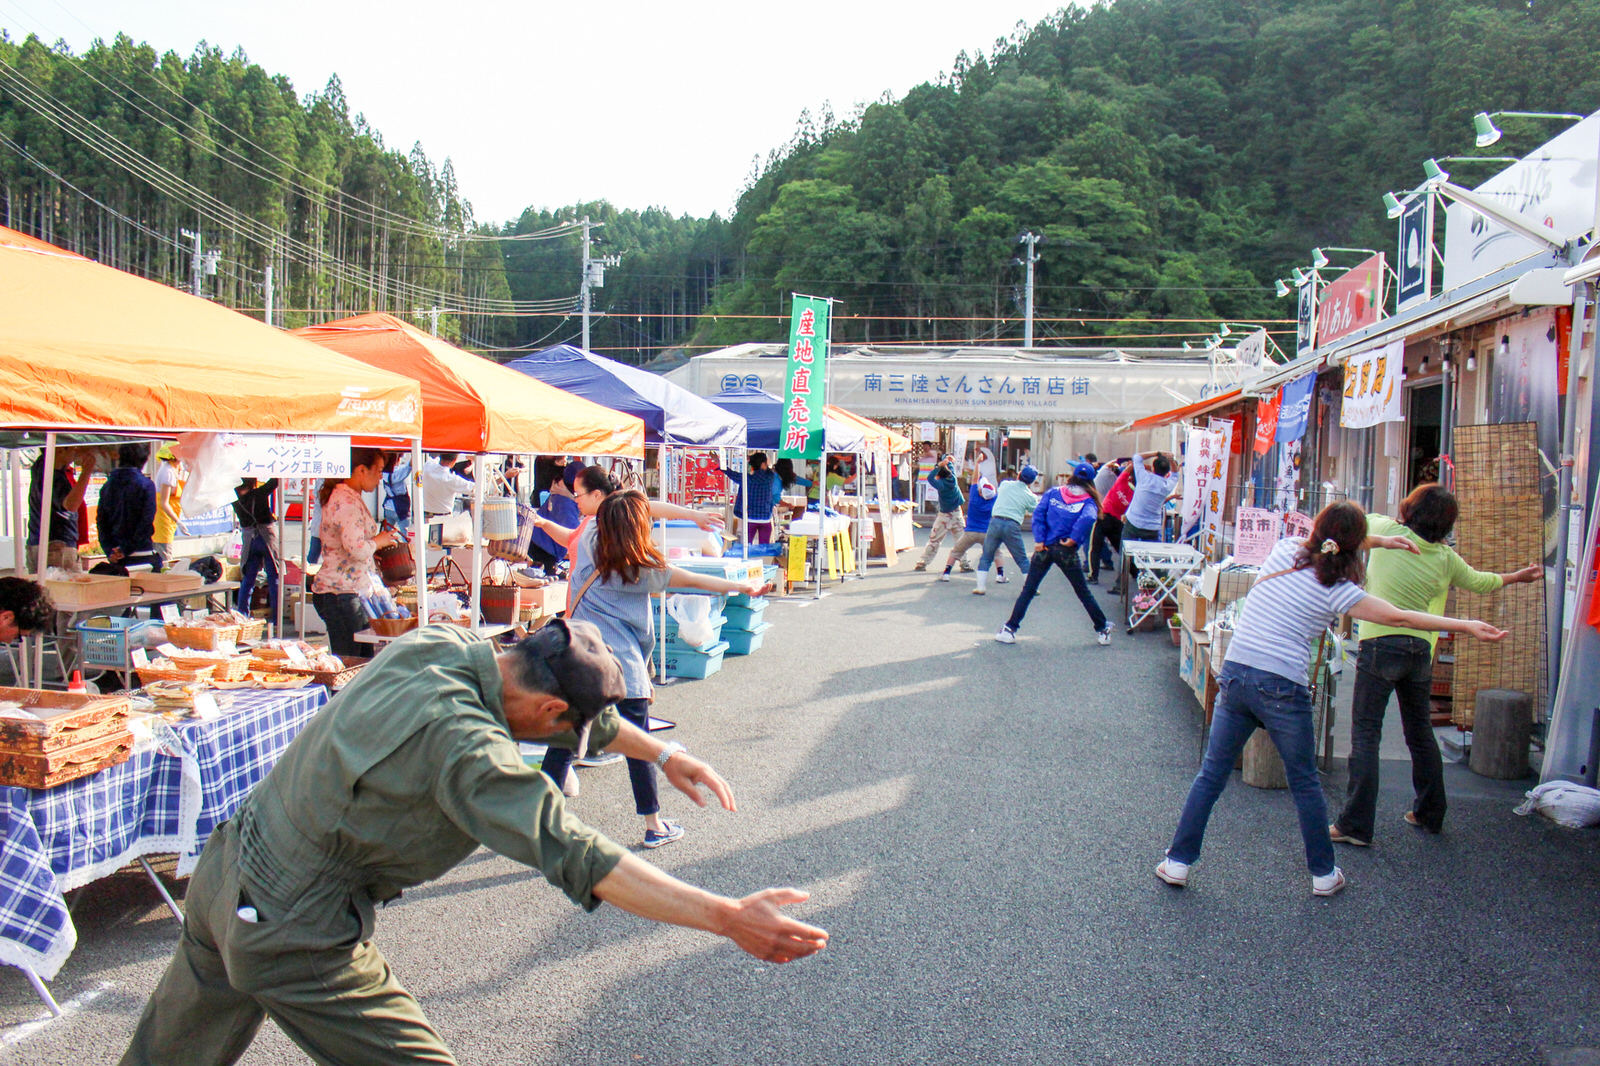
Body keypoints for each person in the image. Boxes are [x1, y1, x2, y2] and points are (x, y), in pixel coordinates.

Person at [118, 619, 827, 1066]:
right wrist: (727, 916)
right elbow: (582, 854)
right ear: (549, 711)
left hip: (226, 870)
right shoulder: (471, 754)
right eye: (564, 729)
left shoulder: (439, 646)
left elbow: (571, 717)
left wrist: (664, 755)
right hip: (291, 925)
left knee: (168, 1054)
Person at [1155, 501, 1507, 897]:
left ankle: (1178, 862)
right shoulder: (1341, 592)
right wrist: (1465, 625)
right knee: (1304, 782)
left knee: (1211, 775)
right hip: (1282, 689)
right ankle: (1323, 875)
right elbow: (1404, 617)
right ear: (1356, 547)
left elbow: (1325, 543)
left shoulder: (1285, 549)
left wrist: (1381, 540)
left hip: (1236, 675)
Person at [532, 473, 765, 844]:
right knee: (640, 748)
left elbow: (633, 506)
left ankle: (540, 821)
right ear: (637, 527)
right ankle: (654, 825)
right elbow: (692, 580)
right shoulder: (638, 568)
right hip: (624, 668)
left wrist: (687, 515)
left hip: (580, 662)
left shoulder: (590, 538)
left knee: (563, 743)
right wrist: (739, 585)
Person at [1330, 485, 1541, 846]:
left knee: (1366, 734)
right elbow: (1481, 582)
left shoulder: (1387, 529)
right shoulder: (1445, 557)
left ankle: (1355, 826)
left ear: (1410, 508)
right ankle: (1429, 813)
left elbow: (1346, 529)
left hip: (1378, 646)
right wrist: (1516, 577)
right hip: (1419, 651)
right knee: (1421, 734)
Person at [994, 462, 1112, 646]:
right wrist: (1073, 538)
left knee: (1029, 590)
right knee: (1082, 592)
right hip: (1066, 551)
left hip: (1045, 548)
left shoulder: (1054, 492)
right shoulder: (1089, 500)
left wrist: (1039, 540)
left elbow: (1039, 514)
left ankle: (1010, 628)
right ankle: (1102, 628)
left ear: (1072, 476)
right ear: (1090, 480)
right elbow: (1088, 517)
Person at [310, 448, 399, 658]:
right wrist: (378, 541)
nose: (380, 476)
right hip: (342, 593)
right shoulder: (346, 502)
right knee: (351, 663)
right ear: (361, 470)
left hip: (350, 590)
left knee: (361, 661)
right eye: (377, 470)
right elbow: (356, 549)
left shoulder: (347, 497)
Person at [94, 443, 161, 574]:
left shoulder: (107, 486)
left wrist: (109, 549)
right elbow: (146, 521)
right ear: (144, 460)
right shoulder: (146, 485)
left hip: (116, 557)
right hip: (142, 553)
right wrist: (126, 548)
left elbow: (101, 521)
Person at [27, 447, 96, 573]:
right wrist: (86, 472)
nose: (75, 452)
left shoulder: (41, 466)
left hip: (41, 541)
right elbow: (71, 505)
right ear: (60, 451)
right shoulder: (53, 475)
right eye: (72, 449)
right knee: (65, 590)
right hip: (57, 546)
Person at [975, 465, 1038, 595]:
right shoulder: (1030, 496)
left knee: (987, 555)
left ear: (1019, 474)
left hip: (995, 521)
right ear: (1032, 481)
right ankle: (1031, 588)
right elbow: (1034, 511)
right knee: (1022, 559)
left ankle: (980, 587)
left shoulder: (1005, 484)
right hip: (1012, 525)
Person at [233, 478, 281, 620]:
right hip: (267, 537)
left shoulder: (235, 500)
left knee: (248, 579)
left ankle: (243, 614)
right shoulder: (259, 493)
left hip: (249, 539)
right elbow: (275, 481)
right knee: (274, 578)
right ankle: (276, 617)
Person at [528, 460, 584, 572]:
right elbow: (575, 533)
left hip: (537, 540)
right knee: (546, 575)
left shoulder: (559, 495)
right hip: (545, 547)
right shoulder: (564, 502)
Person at [938, 477, 999, 581]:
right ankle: (1000, 574)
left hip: (971, 532)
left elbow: (975, 481)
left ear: (980, 492)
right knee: (997, 553)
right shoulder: (994, 500)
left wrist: (978, 463)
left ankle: (946, 573)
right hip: (987, 533)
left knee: (956, 551)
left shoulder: (974, 498)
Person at [914, 455, 964, 572]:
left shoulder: (941, 485)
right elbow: (950, 468)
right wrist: (947, 460)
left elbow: (930, 478)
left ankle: (923, 562)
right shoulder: (953, 478)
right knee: (961, 540)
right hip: (957, 511)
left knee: (935, 540)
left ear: (939, 476)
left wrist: (938, 466)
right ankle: (965, 563)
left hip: (945, 514)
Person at [1090, 459, 1135, 588]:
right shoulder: (1135, 494)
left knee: (1095, 548)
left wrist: (1131, 462)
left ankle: (1094, 576)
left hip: (1104, 517)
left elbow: (1121, 469)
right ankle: (1135, 573)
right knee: (1121, 550)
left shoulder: (1118, 483)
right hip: (1117, 522)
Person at [725, 451, 781, 544]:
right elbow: (772, 469)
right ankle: (763, 559)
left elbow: (731, 473)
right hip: (765, 518)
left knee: (747, 546)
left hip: (750, 518)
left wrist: (719, 463)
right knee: (764, 547)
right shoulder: (770, 477)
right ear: (763, 464)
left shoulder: (747, 479)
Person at [421, 452, 474, 544]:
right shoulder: (451, 480)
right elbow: (475, 488)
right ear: (454, 461)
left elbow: (437, 459)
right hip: (443, 521)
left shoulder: (428, 466)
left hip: (425, 517)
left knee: (426, 550)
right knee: (443, 551)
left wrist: (465, 457)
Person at [152, 445, 184, 565]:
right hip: (163, 521)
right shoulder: (167, 472)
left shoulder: (176, 469)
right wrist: (178, 522)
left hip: (170, 520)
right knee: (165, 558)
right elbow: (164, 503)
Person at [381, 455, 412, 538]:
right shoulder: (396, 473)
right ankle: (407, 549)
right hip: (400, 507)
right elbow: (408, 467)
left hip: (388, 507)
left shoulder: (383, 472)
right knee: (406, 534)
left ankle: (382, 548)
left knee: (385, 534)